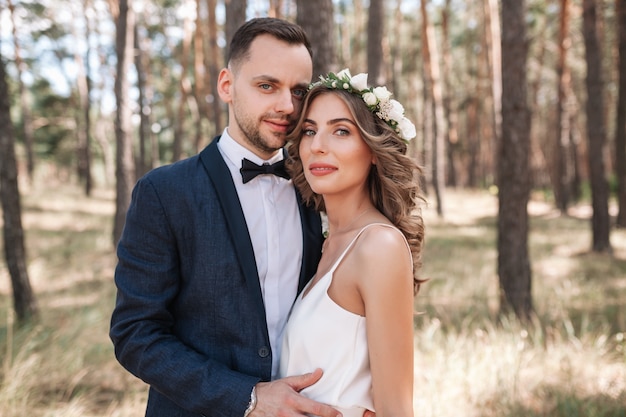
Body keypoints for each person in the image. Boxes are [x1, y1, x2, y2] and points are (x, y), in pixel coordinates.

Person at [110, 18, 343, 417]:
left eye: (299, 91)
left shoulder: (319, 190)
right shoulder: (165, 193)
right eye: (267, 86)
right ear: (227, 86)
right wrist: (247, 397)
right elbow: (136, 334)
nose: (287, 106)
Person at [280, 69, 426, 417]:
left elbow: (396, 409)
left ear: (373, 150)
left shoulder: (379, 246)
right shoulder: (326, 242)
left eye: (341, 131)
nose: (317, 146)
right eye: (310, 131)